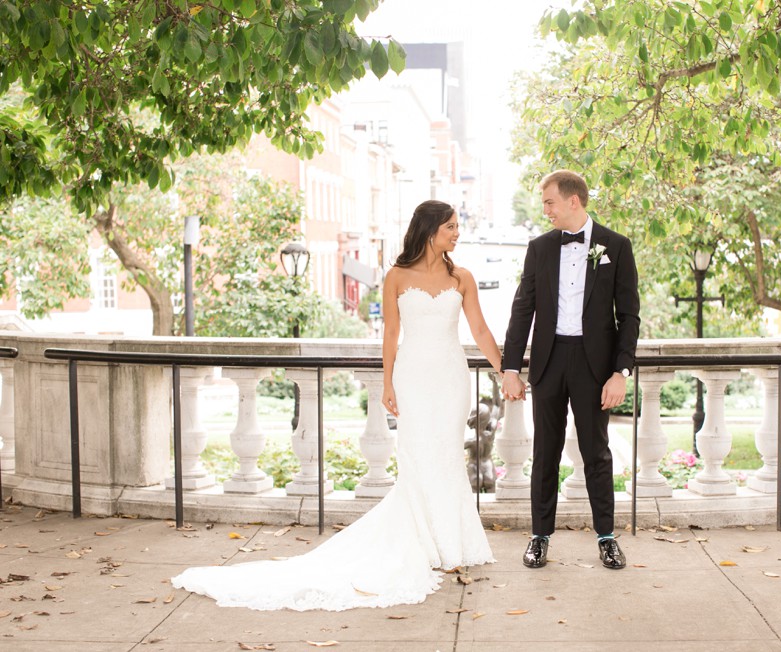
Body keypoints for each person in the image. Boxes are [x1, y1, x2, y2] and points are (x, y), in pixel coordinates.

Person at [172, 200, 499, 611]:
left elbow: (481, 329)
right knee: (416, 456)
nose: (456, 233)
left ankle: (452, 543)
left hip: (450, 379)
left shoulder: (462, 277)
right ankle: (423, 541)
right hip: (414, 378)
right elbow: (391, 334)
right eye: (450, 226)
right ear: (430, 229)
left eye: (456, 227)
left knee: (447, 455)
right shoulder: (396, 276)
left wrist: (506, 371)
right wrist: (387, 384)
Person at [501, 170, 640, 570]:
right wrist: (512, 367)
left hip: (595, 366)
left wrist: (621, 373)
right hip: (548, 360)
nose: (545, 210)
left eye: (549, 202)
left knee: (596, 452)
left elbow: (629, 316)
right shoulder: (540, 248)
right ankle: (539, 537)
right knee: (546, 452)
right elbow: (522, 308)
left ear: (572, 201)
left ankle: (607, 538)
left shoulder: (616, 246)